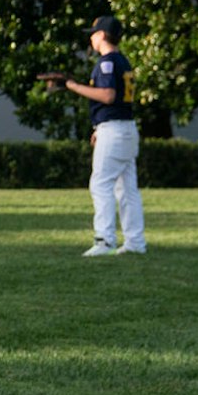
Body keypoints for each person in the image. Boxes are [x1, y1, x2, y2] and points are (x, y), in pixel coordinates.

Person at [45, 15, 146, 256]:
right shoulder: (123, 60)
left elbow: (108, 96)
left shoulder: (106, 62)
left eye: (93, 33)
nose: (91, 38)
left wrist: (71, 85)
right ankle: (135, 242)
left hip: (114, 130)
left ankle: (105, 240)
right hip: (126, 128)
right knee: (127, 189)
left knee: (100, 184)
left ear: (101, 35)